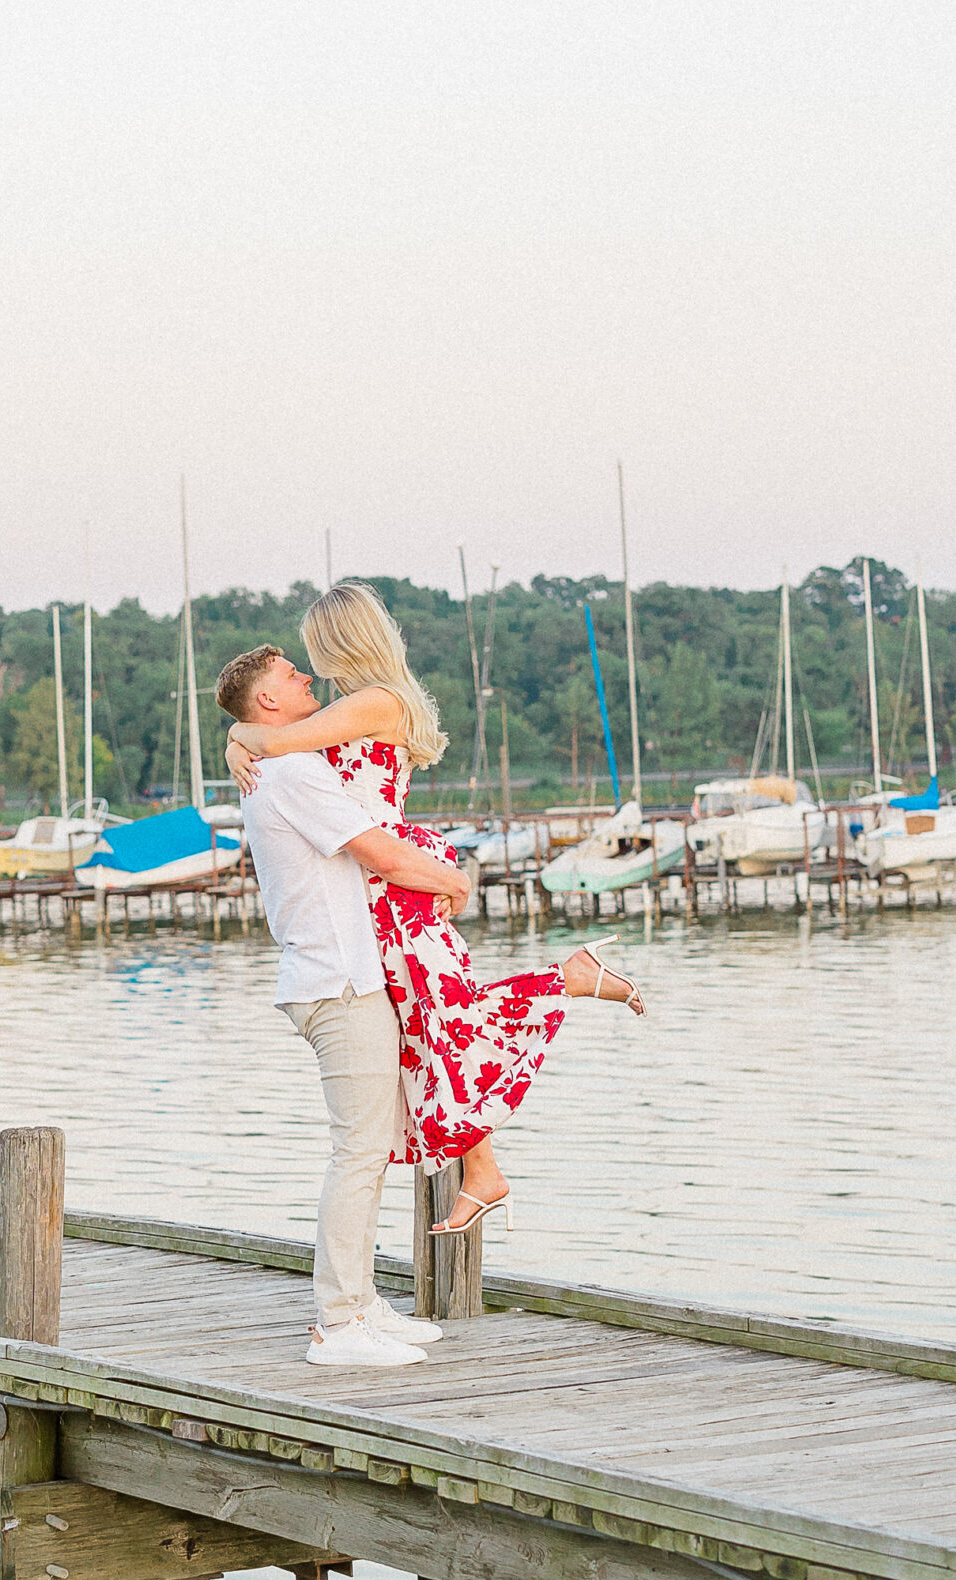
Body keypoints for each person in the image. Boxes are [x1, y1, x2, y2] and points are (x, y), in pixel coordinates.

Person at [224, 585, 643, 1237]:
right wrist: (242, 740)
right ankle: (482, 1170)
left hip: (390, 877)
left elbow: (278, 741)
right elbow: (281, 741)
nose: (309, 662)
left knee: (441, 1016)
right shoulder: (361, 703)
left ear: (341, 639)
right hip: (372, 881)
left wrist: (235, 736)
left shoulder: (374, 701)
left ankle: (568, 980)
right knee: (431, 1024)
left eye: (314, 646)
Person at [215, 640, 473, 1369]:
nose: (308, 679)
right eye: (292, 677)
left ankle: (358, 1301)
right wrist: (453, 885)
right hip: (339, 981)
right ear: (268, 702)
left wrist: (238, 736)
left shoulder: (285, 761)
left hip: (338, 976)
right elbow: (381, 854)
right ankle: (336, 1322)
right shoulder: (294, 772)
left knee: (364, 1150)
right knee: (358, 1153)